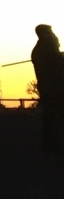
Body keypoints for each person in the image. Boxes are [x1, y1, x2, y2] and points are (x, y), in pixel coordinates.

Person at [31, 24, 64, 154]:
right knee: (53, 117)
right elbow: (56, 66)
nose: (55, 36)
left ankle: (51, 147)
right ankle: (51, 148)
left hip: (50, 89)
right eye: (51, 32)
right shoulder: (46, 50)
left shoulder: (43, 50)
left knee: (51, 117)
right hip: (54, 89)